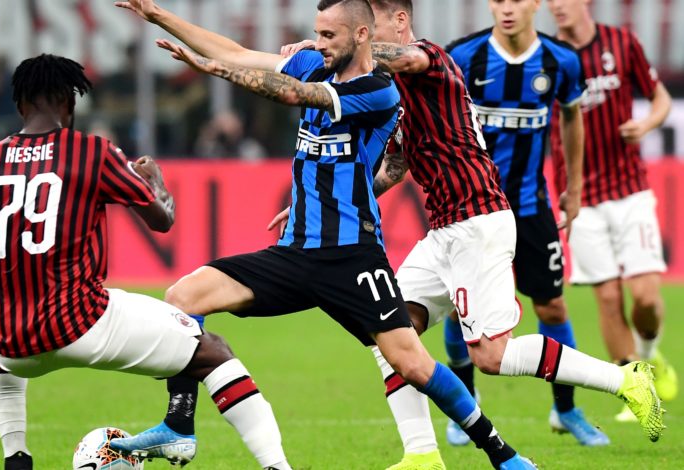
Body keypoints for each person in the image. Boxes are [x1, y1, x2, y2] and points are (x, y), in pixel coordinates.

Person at [116, 1, 534, 468]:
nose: (318, 44)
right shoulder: (314, 62)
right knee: (181, 298)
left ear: (361, 35)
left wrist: (215, 71)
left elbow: (295, 94)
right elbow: (237, 52)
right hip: (294, 253)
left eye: (329, 35)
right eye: (317, 33)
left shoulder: (379, 92)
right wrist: (160, 16)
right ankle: (179, 424)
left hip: (353, 257)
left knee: (412, 363)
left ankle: (502, 454)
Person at [279, 0, 663, 467]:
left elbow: (399, 57)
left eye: (367, 27)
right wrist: (323, 197)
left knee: (492, 356)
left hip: (478, 220)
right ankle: (421, 454)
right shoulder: (390, 90)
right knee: (389, 332)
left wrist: (335, 49)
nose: (361, 34)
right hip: (445, 229)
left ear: (399, 21)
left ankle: (626, 380)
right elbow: (396, 165)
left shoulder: (429, 57)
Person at [0, 53, 293, 470]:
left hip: (16, 346)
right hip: (84, 323)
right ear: (70, 102)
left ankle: (17, 457)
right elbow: (162, 221)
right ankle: (273, 465)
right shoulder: (91, 152)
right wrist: (156, 182)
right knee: (214, 351)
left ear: (19, 105)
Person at [438, 0, 611, 447]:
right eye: (499, 0)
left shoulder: (561, 60)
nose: (507, 9)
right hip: (472, 208)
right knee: (461, 309)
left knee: (552, 307)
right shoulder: (463, 57)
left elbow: (572, 116)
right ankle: (465, 405)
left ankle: (566, 410)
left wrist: (573, 186)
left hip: (532, 207)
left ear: (536, 4)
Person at [546, 0, 677, 422]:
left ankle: (651, 355)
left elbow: (659, 97)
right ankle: (638, 391)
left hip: (630, 190)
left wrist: (648, 124)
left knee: (646, 299)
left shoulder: (621, 43)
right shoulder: (546, 55)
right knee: (606, 297)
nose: (556, 6)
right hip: (579, 198)